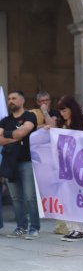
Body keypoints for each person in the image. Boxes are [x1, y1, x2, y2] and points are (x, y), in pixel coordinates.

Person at [0, 91, 39, 239]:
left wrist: (8, 135)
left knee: (30, 197)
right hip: (10, 162)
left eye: (14, 98)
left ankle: (34, 228)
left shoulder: (30, 116)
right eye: (9, 98)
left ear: (22, 101)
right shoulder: (5, 120)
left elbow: (24, 131)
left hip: (26, 161)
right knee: (16, 198)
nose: (11, 101)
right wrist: (16, 136)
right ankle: (21, 227)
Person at [51, 96, 83, 241]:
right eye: (60, 111)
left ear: (72, 109)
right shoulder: (60, 124)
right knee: (65, 197)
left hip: (78, 164)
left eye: (64, 110)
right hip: (63, 165)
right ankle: (71, 228)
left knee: (77, 197)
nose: (62, 114)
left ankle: (79, 230)